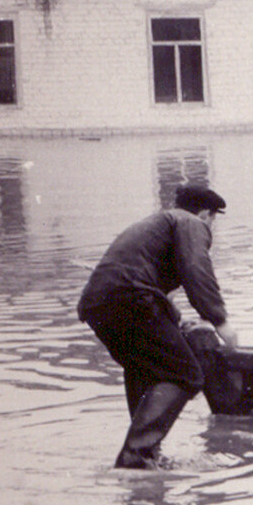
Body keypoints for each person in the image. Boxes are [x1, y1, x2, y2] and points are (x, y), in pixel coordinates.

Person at [77, 186, 238, 469]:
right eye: (213, 219)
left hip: (97, 305)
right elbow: (196, 269)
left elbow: (148, 284)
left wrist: (174, 318)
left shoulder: (158, 223)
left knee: (145, 369)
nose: (211, 226)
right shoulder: (191, 222)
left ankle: (146, 456)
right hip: (130, 299)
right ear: (205, 214)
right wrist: (220, 321)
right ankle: (137, 456)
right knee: (185, 374)